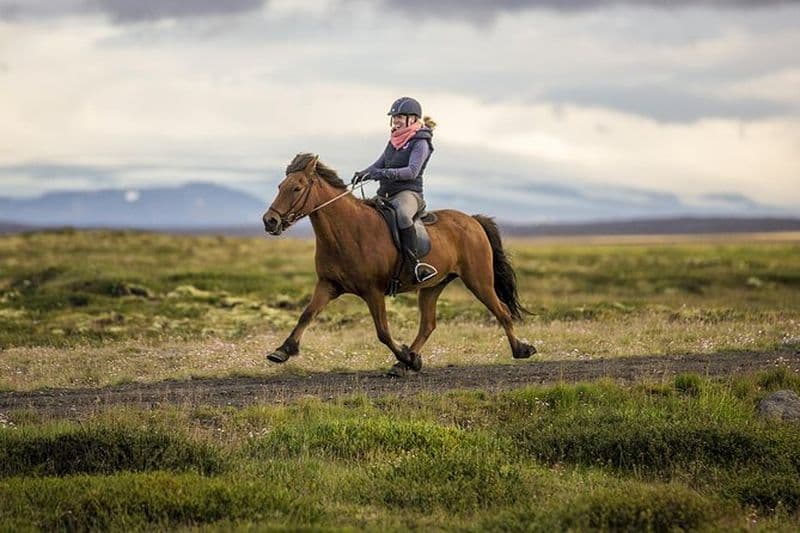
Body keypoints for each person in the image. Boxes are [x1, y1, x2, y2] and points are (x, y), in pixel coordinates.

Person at [352, 97, 437, 283]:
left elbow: (412, 171)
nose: (396, 120)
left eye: (400, 117)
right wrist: (363, 173)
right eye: (394, 117)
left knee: (403, 215)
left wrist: (383, 173)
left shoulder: (421, 142)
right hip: (386, 193)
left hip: (408, 193)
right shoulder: (394, 140)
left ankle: (414, 266)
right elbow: (379, 164)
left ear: (412, 119)